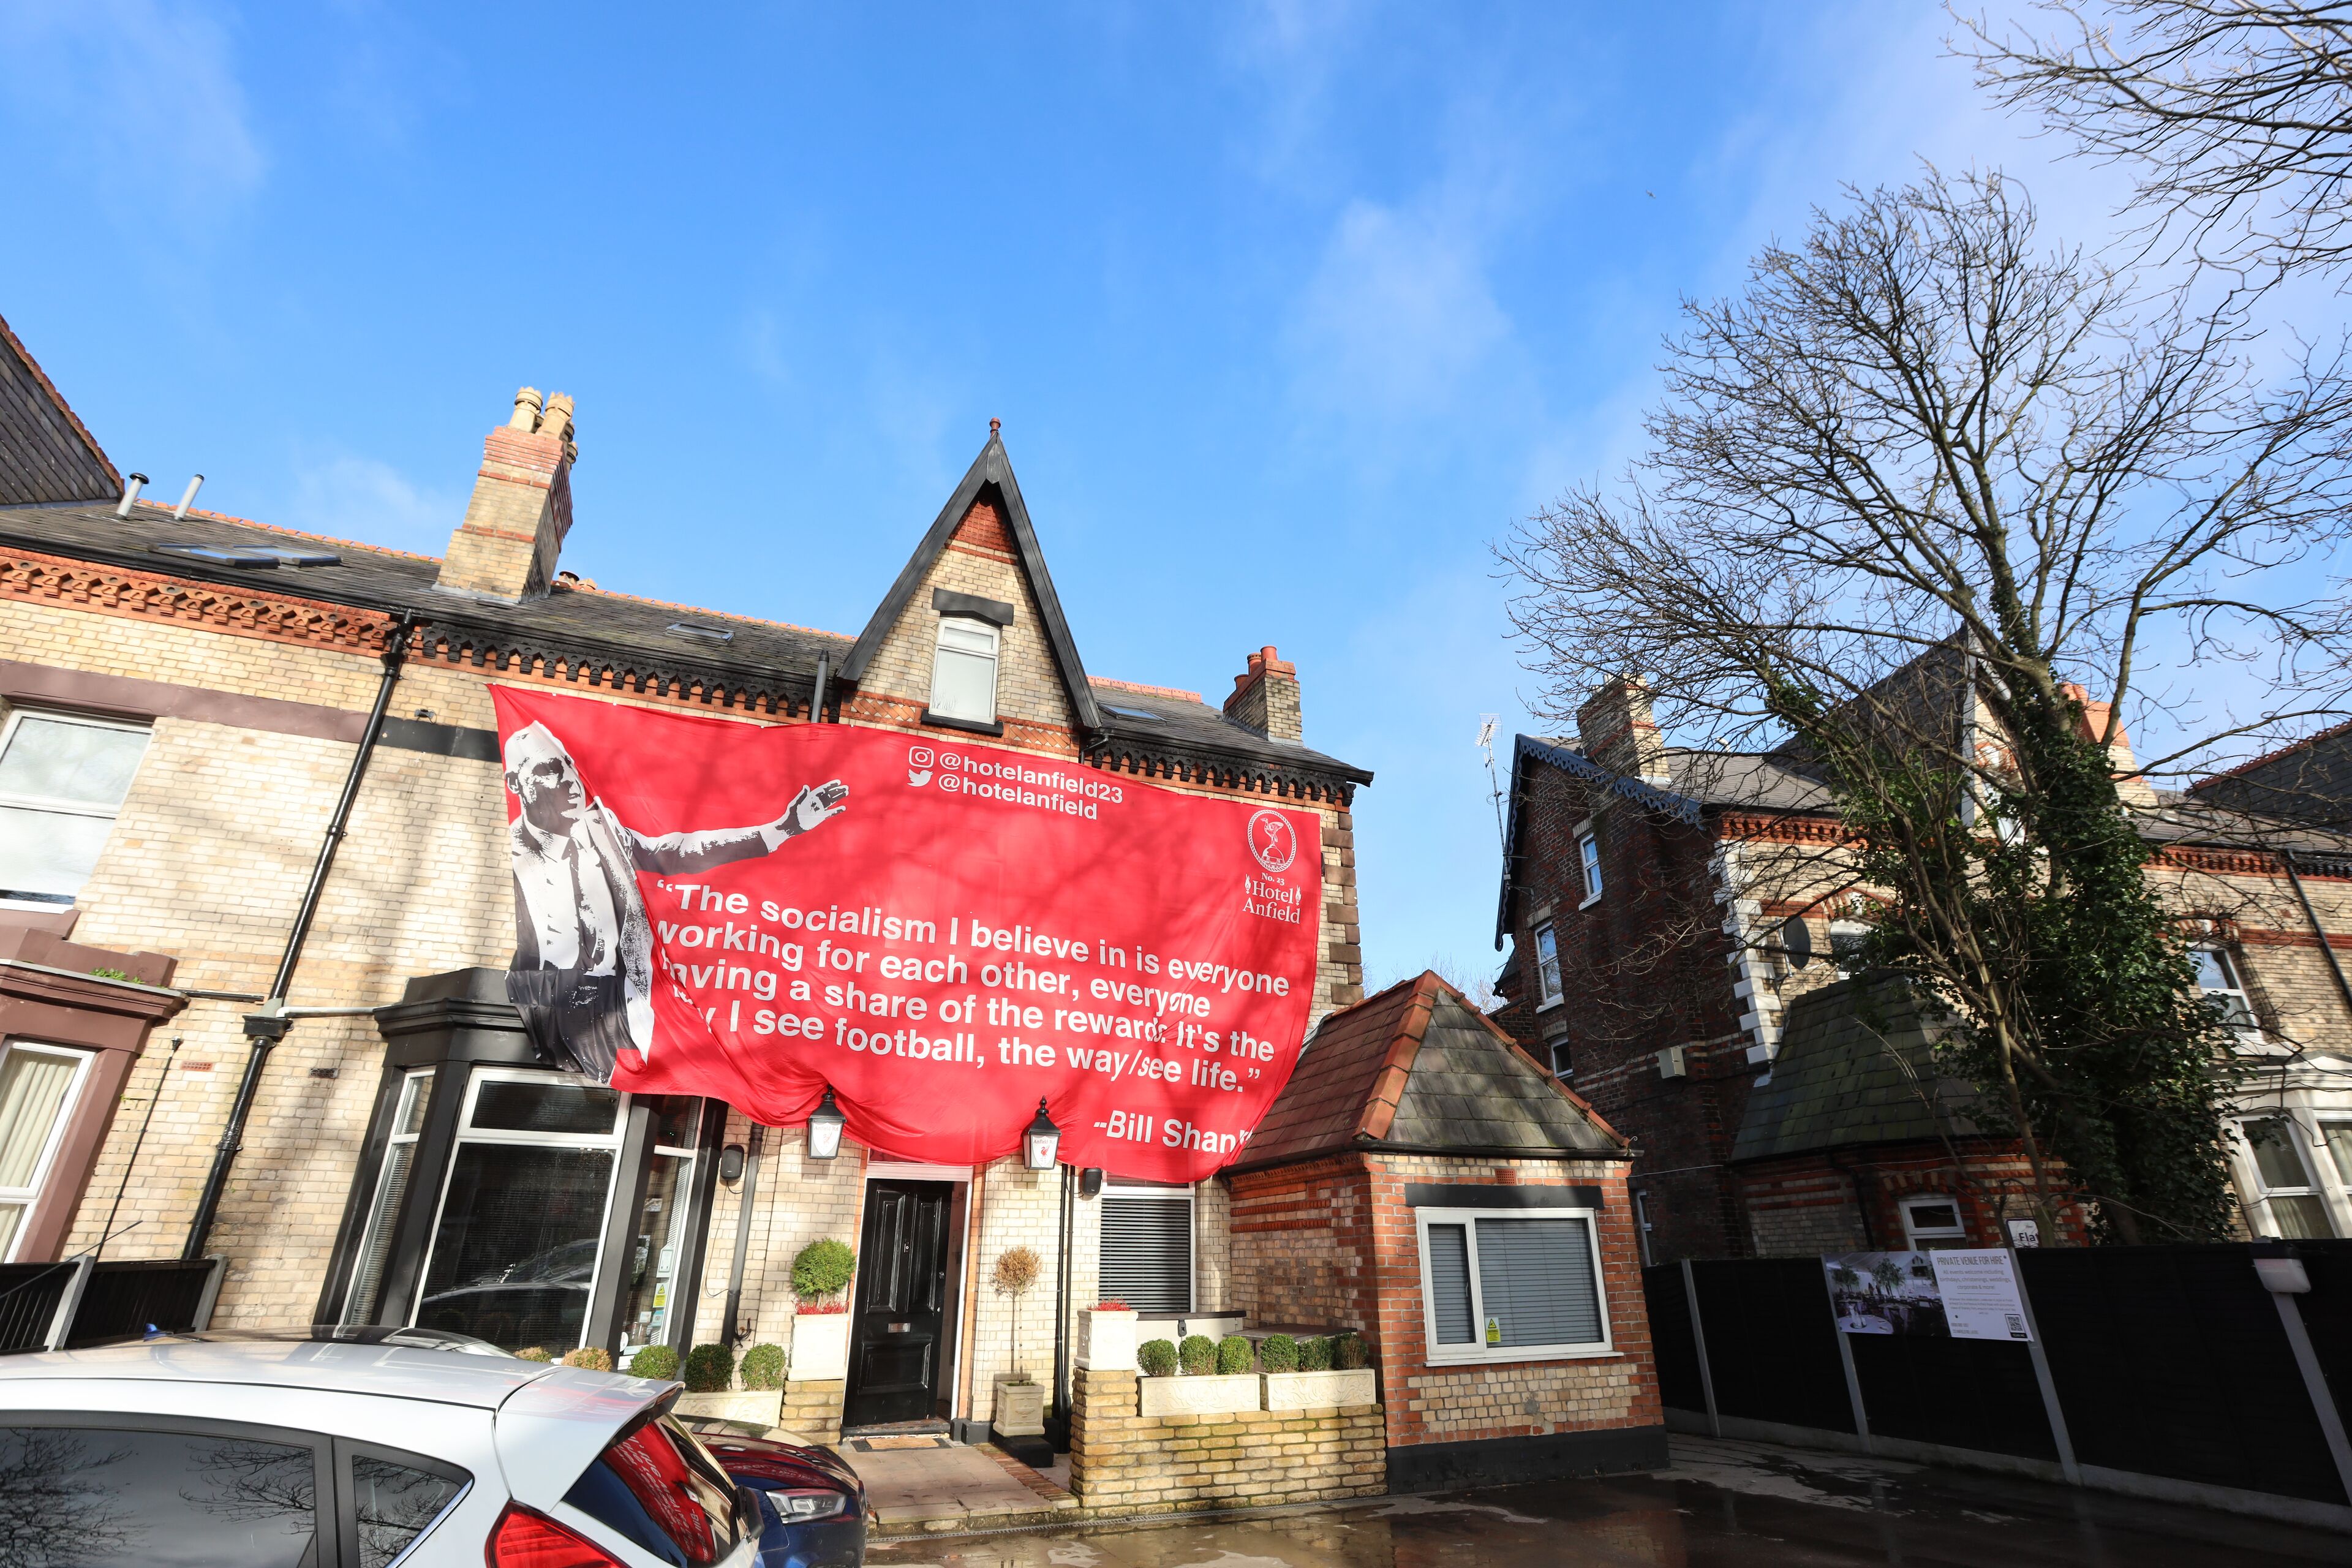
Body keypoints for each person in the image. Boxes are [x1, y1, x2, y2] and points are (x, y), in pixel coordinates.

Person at [502, 720, 848, 1079]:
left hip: (619, 1009)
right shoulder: (511, 852)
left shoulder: (601, 828)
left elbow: (676, 851)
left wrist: (783, 829)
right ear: (516, 784)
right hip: (546, 1010)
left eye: (570, 766)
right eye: (548, 770)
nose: (569, 781)